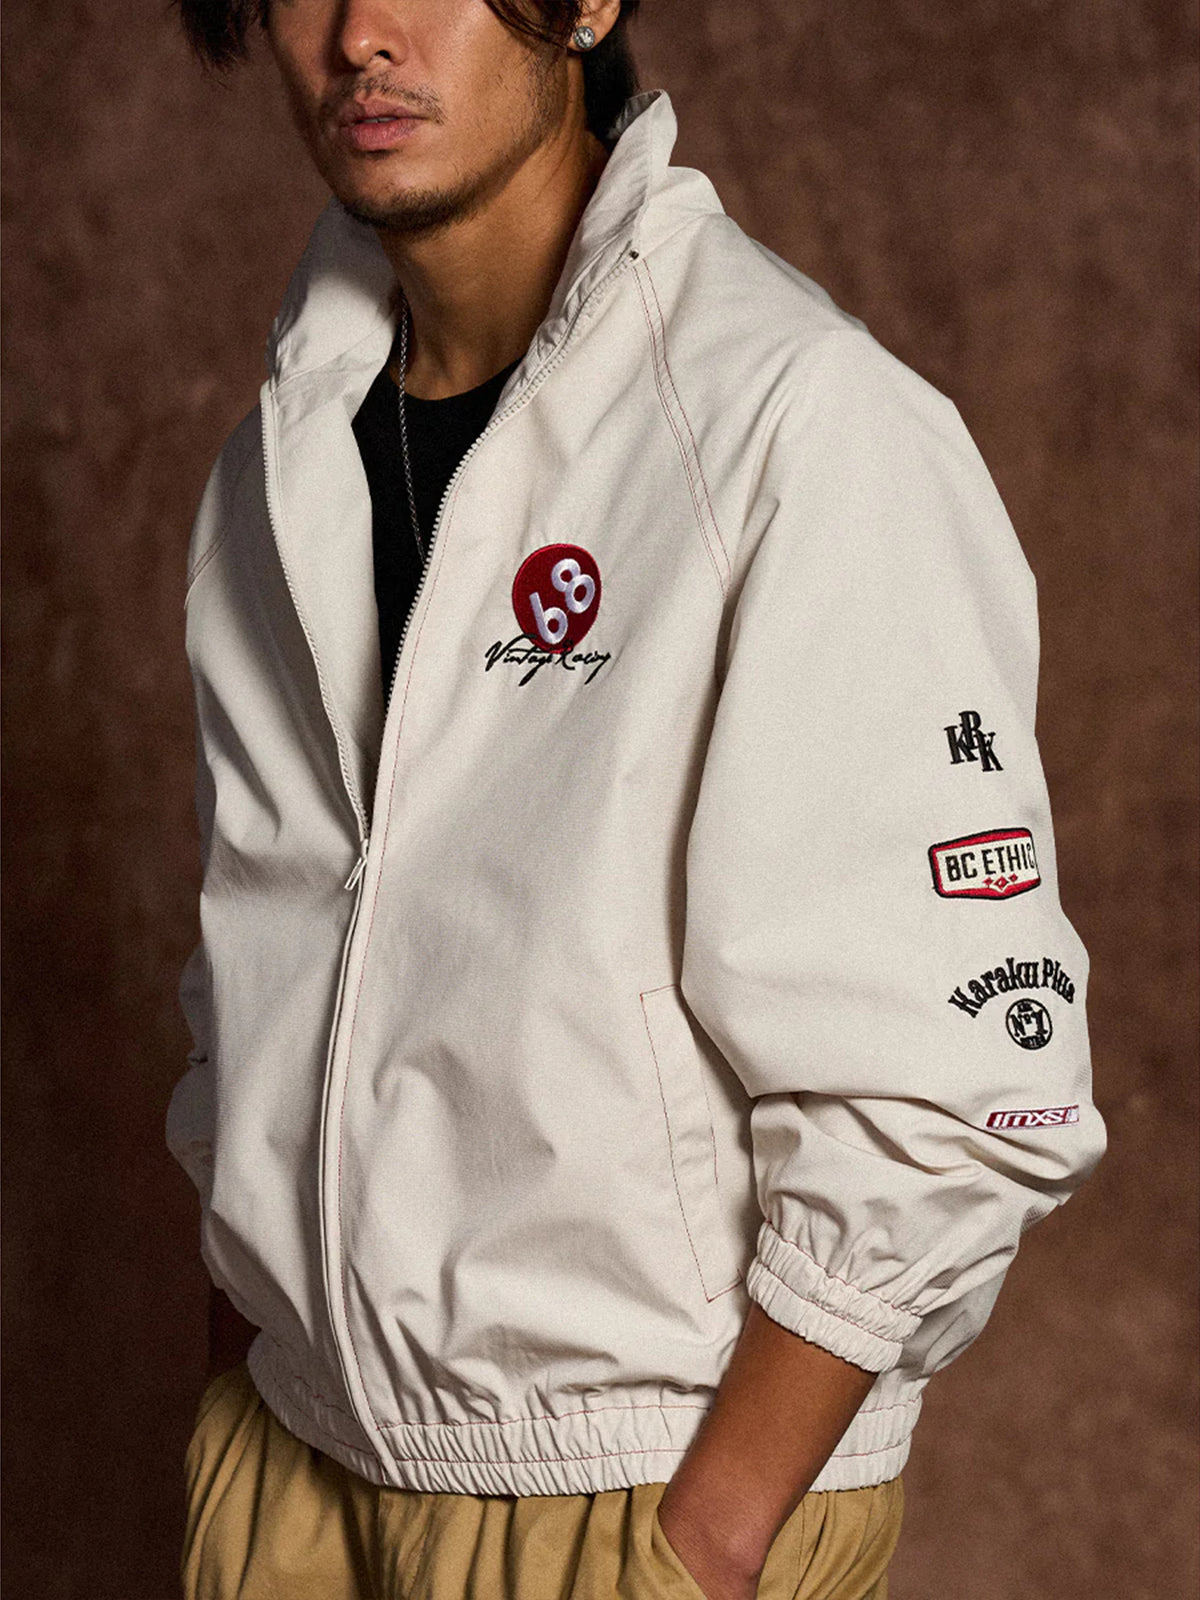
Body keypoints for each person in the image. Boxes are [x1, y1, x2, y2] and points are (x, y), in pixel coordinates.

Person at [165, 3, 1106, 1597]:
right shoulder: (283, 453)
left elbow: (956, 1081)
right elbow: (264, 984)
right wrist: (236, 1398)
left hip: (627, 1487)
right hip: (294, 1460)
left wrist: (711, 1535)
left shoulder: (793, 419)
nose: (361, 34)